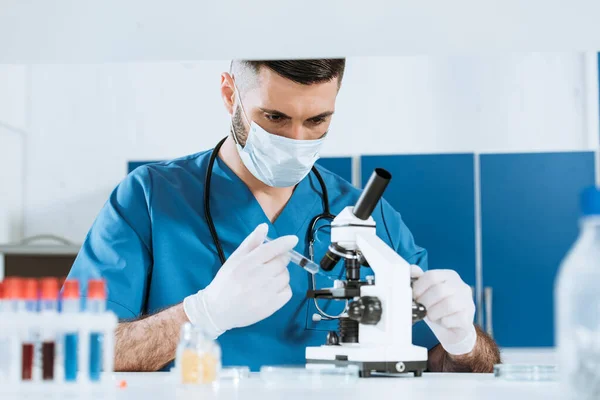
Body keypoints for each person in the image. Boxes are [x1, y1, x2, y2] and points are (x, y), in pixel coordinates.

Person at [67, 59, 500, 373]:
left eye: (317, 120)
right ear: (229, 94)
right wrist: (201, 315)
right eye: (274, 117)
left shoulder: (368, 217)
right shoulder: (149, 198)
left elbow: (445, 370)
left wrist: (464, 342)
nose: (297, 139)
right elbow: (73, 352)